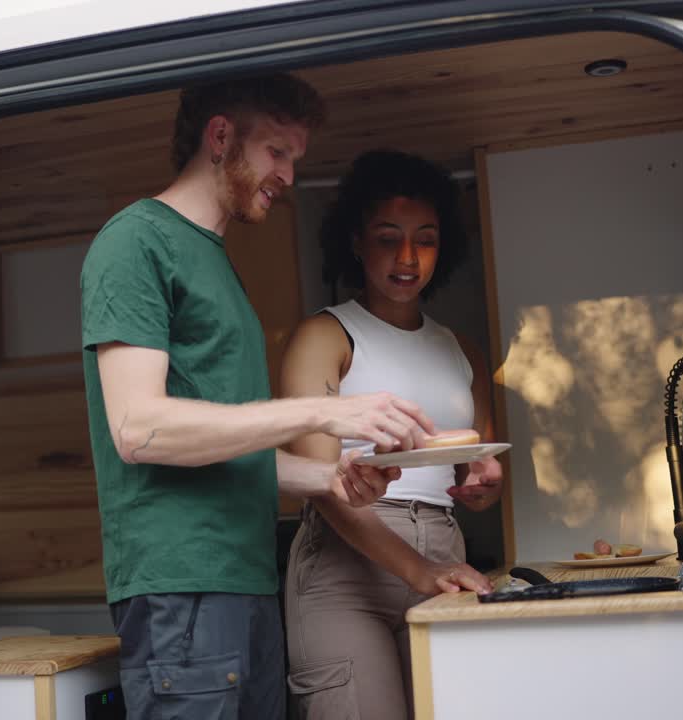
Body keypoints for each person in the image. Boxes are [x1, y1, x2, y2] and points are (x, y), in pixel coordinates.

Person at [80, 76, 438, 720]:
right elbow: (139, 429)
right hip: (181, 585)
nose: (289, 175)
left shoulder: (214, 262)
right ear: (220, 137)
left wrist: (329, 477)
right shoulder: (135, 241)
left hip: (245, 581)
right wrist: (325, 411)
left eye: (295, 159)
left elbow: (224, 446)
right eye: (278, 152)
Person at [281, 150, 504, 720]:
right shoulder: (325, 335)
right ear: (356, 242)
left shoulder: (464, 352)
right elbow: (322, 484)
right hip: (345, 565)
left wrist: (482, 486)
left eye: (424, 239)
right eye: (388, 238)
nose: (407, 258)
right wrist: (417, 570)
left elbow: (474, 473)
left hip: (444, 549)